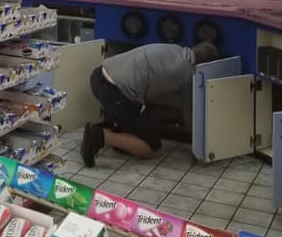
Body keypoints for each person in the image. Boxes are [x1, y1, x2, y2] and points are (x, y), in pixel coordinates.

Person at [80, 41, 219, 167]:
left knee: (145, 117)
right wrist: (204, 147)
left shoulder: (177, 50)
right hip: (115, 91)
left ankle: (118, 130)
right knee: (153, 149)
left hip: (100, 75)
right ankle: (100, 135)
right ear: (204, 67)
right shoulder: (188, 73)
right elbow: (188, 115)